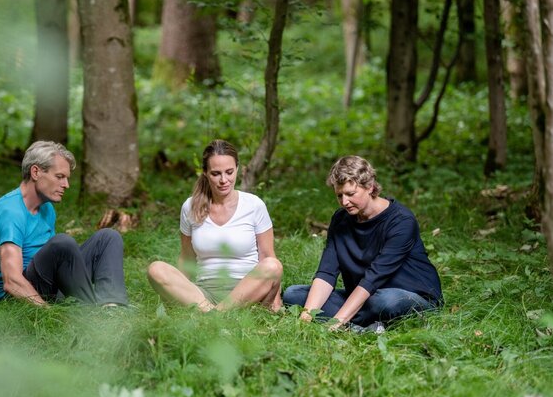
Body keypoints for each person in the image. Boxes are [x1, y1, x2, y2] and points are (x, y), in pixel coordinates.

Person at [283, 155, 442, 329]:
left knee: (385, 301)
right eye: (339, 195)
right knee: (294, 294)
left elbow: (373, 279)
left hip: (407, 296)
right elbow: (327, 272)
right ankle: (366, 328)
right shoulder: (340, 219)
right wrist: (306, 316)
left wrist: (336, 322)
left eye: (351, 194)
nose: (345, 202)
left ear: (370, 187)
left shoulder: (401, 221)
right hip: (363, 296)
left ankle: (352, 324)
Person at [0, 141, 129, 307]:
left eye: (66, 178)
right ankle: (90, 315)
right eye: (59, 177)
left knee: (108, 237)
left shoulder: (46, 208)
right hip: (11, 301)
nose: (66, 185)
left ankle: (112, 307)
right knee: (62, 243)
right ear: (35, 172)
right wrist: (50, 313)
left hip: (43, 286)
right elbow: (12, 281)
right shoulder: (11, 212)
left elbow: (52, 262)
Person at [147, 139, 283, 312]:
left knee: (273, 265)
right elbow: (187, 258)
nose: (224, 180)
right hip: (204, 294)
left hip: (248, 293)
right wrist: (179, 291)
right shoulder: (190, 207)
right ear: (205, 173)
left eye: (229, 172)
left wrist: (276, 299)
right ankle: (214, 312)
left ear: (237, 169)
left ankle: (213, 316)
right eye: (216, 173)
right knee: (156, 269)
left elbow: (267, 256)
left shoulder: (254, 205)